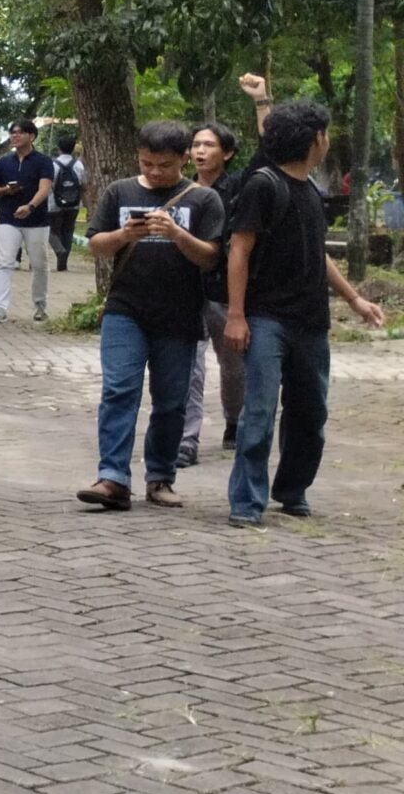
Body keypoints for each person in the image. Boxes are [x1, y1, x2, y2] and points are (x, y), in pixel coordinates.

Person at [223, 101, 388, 527]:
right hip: (266, 319)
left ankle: (292, 489)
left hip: (312, 322)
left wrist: (354, 299)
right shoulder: (263, 185)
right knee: (258, 410)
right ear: (316, 139)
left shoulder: (311, 189)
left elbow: (318, 254)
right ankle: (246, 501)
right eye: (326, 133)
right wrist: (237, 315)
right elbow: (239, 250)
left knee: (311, 413)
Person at [74, 123, 224, 512]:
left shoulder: (203, 199)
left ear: (184, 159)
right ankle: (112, 478)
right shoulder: (119, 191)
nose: (156, 172)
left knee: (172, 401)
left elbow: (210, 257)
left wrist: (177, 234)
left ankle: (160, 478)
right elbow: (95, 245)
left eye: (166, 165)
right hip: (126, 309)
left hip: (180, 314)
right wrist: (124, 235)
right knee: (119, 390)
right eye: (148, 163)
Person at [180, 121, 245, 467]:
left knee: (233, 365)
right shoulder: (180, 190)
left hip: (224, 291)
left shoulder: (238, 188)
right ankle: (186, 441)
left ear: (228, 153)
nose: (200, 151)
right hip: (188, 290)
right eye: (196, 145)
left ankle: (235, 421)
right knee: (190, 367)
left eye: (209, 145)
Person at [0, 119, 55, 323]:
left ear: (31, 136)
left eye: (19, 132)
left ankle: (40, 306)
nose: (14, 136)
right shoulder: (4, 162)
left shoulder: (43, 161)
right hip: (8, 217)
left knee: (39, 264)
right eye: (12, 132)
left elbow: (45, 188)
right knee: (4, 262)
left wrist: (30, 206)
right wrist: (6, 190)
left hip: (37, 220)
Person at [47, 133, 90, 271]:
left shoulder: (52, 164)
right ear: (72, 148)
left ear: (59, 148)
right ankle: (63, 263)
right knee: (68, 231)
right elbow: (84, 186)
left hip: (54, 203)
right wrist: (86, 205)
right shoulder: (79, 165)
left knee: (51, 230)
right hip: (74, 204)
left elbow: (47, 185)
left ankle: (59, 250)